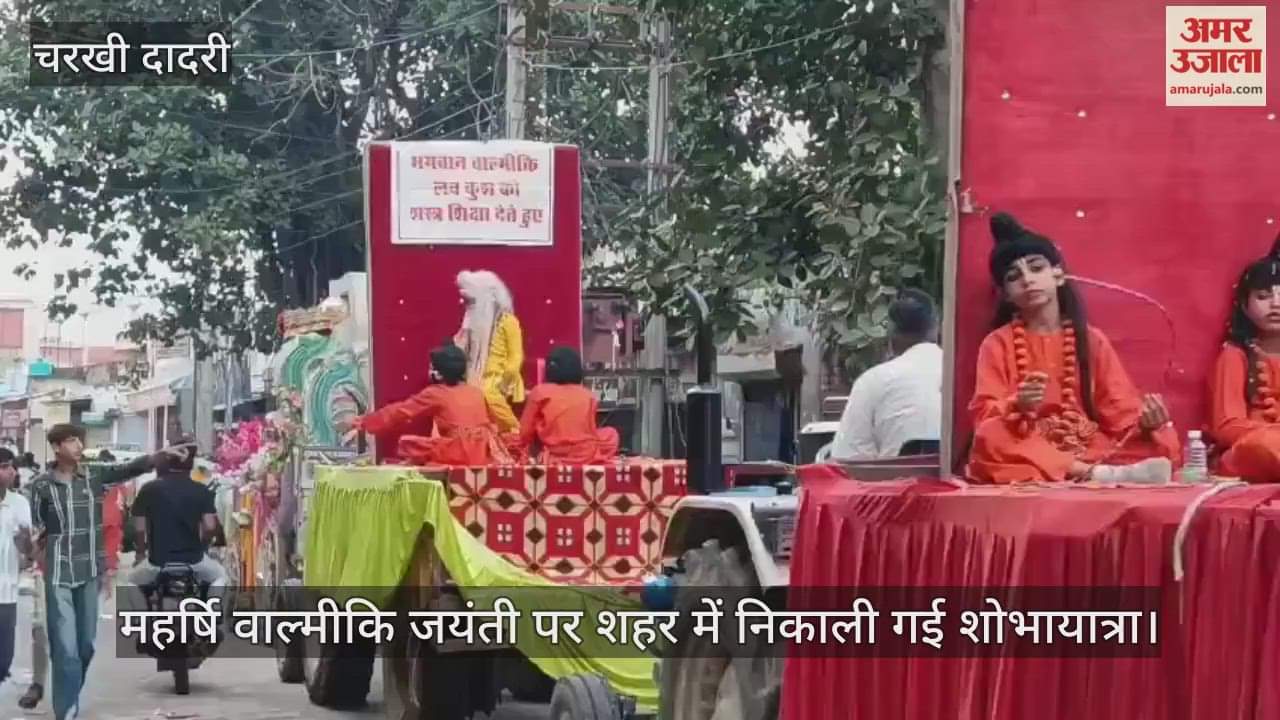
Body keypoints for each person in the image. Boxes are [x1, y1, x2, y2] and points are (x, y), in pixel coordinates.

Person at [966, 212, 1181, 484]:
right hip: (1025, 445)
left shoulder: (1091, 339)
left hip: (1086, 444)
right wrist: (1016, 404)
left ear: (1058, 275)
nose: (1027, 279)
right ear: (1007, 294)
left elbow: (1120, 410)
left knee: (1157, 439)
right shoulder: (997, 343)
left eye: (1036, 268)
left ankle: (1085, 470)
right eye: (1014, 276)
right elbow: (984, 416)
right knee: (991, 437)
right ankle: (1091, 474)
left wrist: (1149, 423)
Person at [26, 424, 184, 720]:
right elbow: (35, 528)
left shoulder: (93, 477)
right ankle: (66, 709)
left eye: (79, 440)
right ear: (57, 447)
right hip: (57, 572)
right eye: (72, 440)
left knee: (85, 647)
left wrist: (158, 456)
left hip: (89, 572)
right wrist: (34, 550)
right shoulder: (41, 486)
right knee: (66, 648)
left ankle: (70, 694)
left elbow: (128, 469)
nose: (78, 445)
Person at [347, 344, 513, 465]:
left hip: (459, 452)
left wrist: (366, 422)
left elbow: (401, 411)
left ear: (438, 374)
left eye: (431, 367)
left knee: (408, 444)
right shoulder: (476, 392)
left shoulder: (435, 393)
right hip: (484, 452)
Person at [830, 289, 943, 459]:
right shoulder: (963, 375)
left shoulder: (872, 381)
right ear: (936, 327)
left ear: (890, 334)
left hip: (892, 483)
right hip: (966, 484)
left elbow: (847, 461)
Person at [1209, 233, 1280, 481]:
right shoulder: (1235, 355)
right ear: (1244, 306)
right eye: (1263, 297)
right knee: (1266, 444)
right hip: (1250, 451)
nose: (1276, 305)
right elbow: (1227, 426)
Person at [125, 439, 227, 610]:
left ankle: (141, 618)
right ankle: (212, 614)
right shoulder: (201, 490)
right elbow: (210, 526)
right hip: (194, 560)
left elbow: (139, 528)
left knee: (131, 582)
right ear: (191, 465)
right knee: (221, 577)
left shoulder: (148, 489)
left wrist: (140, 554)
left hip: (157, 561)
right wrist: (204, 544)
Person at [518, 347, 620, 464]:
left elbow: (524, 434)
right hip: (586, 454)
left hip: (553, 452)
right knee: (611, 434)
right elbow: (591, 432)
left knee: (520, 438)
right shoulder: (588, 395)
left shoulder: (539, 392)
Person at [454, 270, 526, 433]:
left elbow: (516, 357)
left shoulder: (508, 322)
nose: (469, 307)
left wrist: (505, 382)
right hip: (477, 375)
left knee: (487, 393)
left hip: (501, 378)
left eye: (473, 302)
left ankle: (517, 432)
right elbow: (460, 349)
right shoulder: (474, 321)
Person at [0, 449, 32, 690]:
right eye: (4, 466)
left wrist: (25, 543)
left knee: (3, 661)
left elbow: (28, 555)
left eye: (11, 466)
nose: (11, 471)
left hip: (5, 591)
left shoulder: (19, 503)